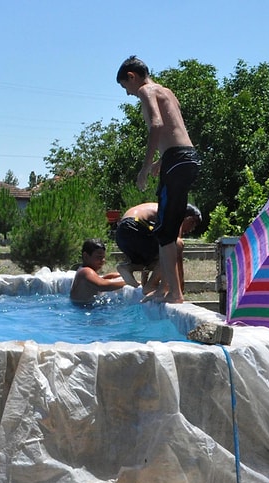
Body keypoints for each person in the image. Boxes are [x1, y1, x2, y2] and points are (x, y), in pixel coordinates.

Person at [117, 55, 200, 304]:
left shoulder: (146, 90)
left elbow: (156, 124)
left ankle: (174, 294)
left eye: (125, 86)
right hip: (187, 158)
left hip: (175, 160)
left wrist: (145, 167)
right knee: (170, 227)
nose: (128, 93)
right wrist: (160, 161)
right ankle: (165, 289)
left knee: (165, 230)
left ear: (132, 76)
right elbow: (175, 130)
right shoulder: (168, 92)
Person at [114, 202, 203, 293]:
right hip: (134, 226)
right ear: (190, 219)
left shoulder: (157, 211)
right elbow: (176, 249)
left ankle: (127, 268)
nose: (191, 230)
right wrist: (180, 288)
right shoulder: (175, 213)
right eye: (193, 226)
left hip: (121, 233)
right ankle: (152, 285)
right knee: (175, 246)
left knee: (157, 261)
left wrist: (144, 282)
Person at [69, 239, 126, 305]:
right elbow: (102, 286)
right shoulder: (86, 271)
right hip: (83, 309)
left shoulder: (82, 270)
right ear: (86, 256)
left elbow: (100, 280)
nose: (103, 260)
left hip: (82, 307)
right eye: (99, 257)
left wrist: (119, 276)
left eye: (104, 257)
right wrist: (127, 280)